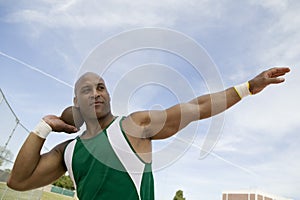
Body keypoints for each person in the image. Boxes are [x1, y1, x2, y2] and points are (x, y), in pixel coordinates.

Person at [7, 67, 290, 200]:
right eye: (86, 91)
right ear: (76, 102)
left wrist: (248, 87)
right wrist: (43, 127)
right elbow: (19, 181)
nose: (96, 93)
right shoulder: (67, 150)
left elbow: (196, 107)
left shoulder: (133, 125)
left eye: (101, 87)